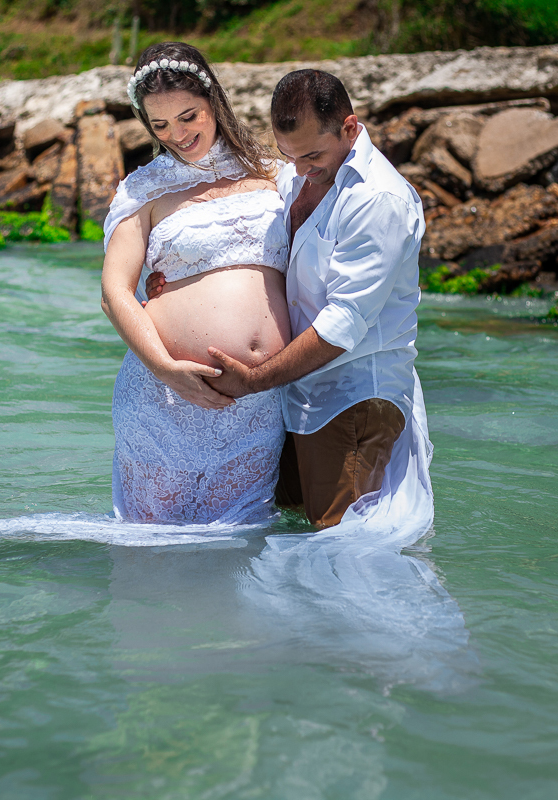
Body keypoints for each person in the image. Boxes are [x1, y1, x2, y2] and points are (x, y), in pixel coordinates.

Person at [150, 69, 432, 531]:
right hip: (296, 394)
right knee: (290, 527)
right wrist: (180, 279)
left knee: (342, 540)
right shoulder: (301, 173)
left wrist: (255, 380)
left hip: (352, 394)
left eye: (312, 154)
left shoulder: (379, 201)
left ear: (350, 127)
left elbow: (344, 323)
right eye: (289, 155)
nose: (299, 169)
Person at [99, 42, 291, 525]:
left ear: (213, 102)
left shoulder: (273, 172)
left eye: (189, 117)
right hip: (163, 397)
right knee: (153, 553)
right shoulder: (144, 189)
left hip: (258, 401)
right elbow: (114, 292)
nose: (177, 136)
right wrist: (166, 369)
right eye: (159, 125)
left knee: (238, 552)